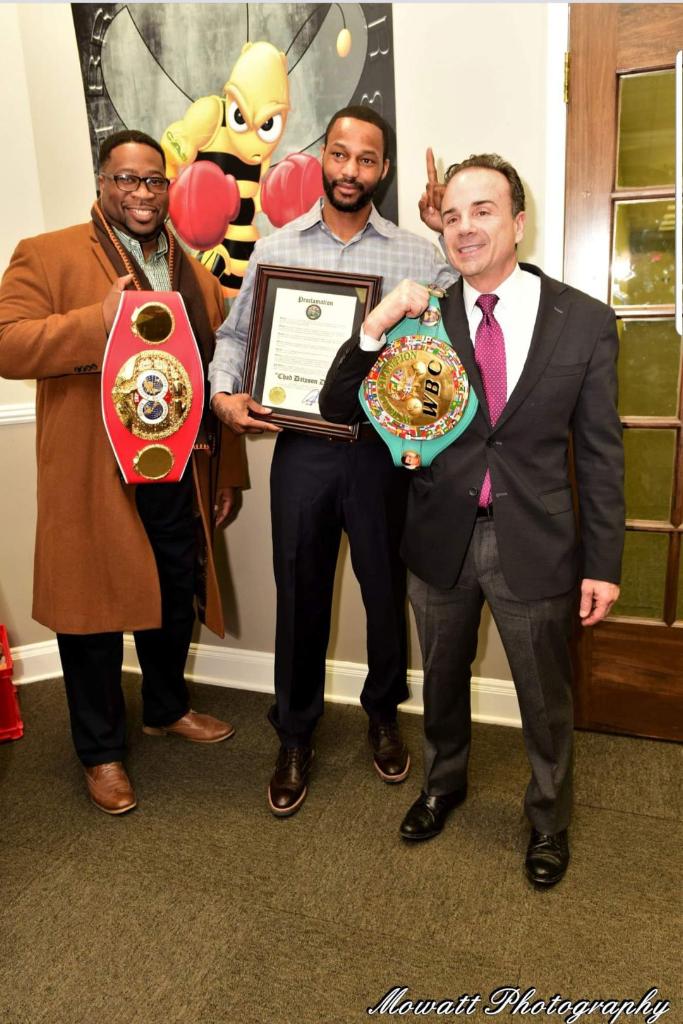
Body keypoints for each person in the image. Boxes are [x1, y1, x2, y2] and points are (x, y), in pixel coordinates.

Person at [319, 153, 624, 886]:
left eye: (482, 210)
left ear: (518, 221)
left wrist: (601, 564)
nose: (464, 228)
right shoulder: (420, 317)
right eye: (451, 215)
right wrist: (375, 324)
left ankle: (548, 820)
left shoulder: (581, 322)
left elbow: (600, 453)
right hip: (438, 541)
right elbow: (337, 408)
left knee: (544, 700)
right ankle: (441, 783)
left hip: (537, 545)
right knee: (443, 682)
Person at [209, 106, 455, 816]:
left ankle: (383, 714)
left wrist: (444, 233)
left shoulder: (416, 254)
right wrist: (225, 395)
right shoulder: (275, 247)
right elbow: (234, 335)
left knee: (385, 595)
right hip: (303, 452)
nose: (350, 170)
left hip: (384, 454)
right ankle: (293, 733)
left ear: (384, 167)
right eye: (340, 155)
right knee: (300, 596)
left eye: (366, 159)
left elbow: (469, 315)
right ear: (323, 157)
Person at [0, 130, 247, 815]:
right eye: (126, 180)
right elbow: (7, 344)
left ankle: (165, 707)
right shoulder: (45, 254)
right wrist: (95, 322)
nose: (141, 193)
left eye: (153, 181)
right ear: (102, 183)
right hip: (94, 471)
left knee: (174, 590)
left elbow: (213, 378)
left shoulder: (193, 272)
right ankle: (100, 753)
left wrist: (224, 473)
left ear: (169, 187)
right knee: (91, 616)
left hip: (177, 469)